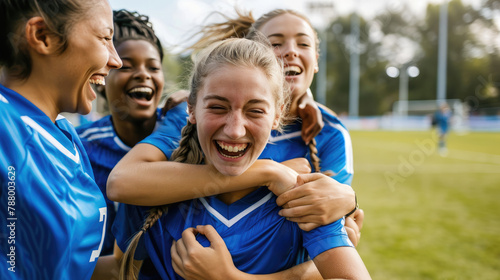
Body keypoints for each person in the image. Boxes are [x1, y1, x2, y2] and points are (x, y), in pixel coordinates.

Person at [118, 37, 370, 280]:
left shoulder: (302, 199)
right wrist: (269, 171)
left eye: (255, 111)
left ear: (277, 115)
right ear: (191, 109)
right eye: (218, 107)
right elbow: (117, 268)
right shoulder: (153, 192)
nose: (235, 130)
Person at [0, 0, 121, 279]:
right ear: (43, 36)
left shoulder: (64, 132)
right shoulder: (6, 127)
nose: (116, 60)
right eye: (105, 38)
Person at [76, 9, 187, 257]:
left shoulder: (184, 130)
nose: (143, 74)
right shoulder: (78, 147)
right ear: (103, 76)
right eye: (126, 66)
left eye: (153, 67)